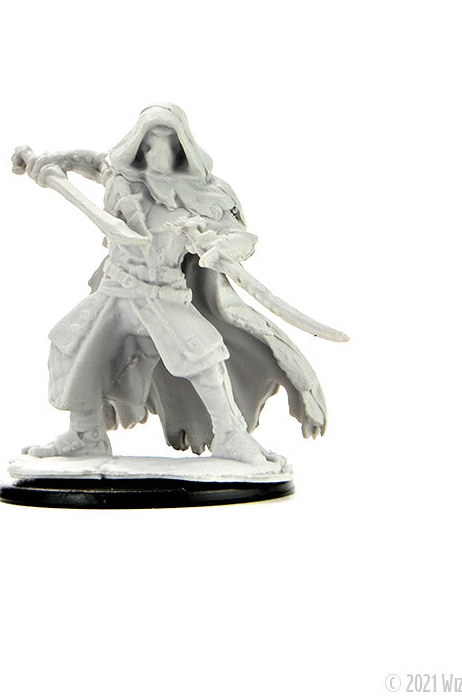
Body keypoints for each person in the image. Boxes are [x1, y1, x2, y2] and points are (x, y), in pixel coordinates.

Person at [23, 103, 326, 465]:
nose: (157, 153)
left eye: (167, 143)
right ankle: (85, 434)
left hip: (162, 293)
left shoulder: (206, 195)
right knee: (73, 348)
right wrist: (55, 161)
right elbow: (95, 162)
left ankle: (230, 435)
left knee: (204, 357)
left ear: (182, 148)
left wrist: (217, 245)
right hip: (116, 290)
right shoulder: (124, 179)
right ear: (138, 145)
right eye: (149, 143)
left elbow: (240, 236)